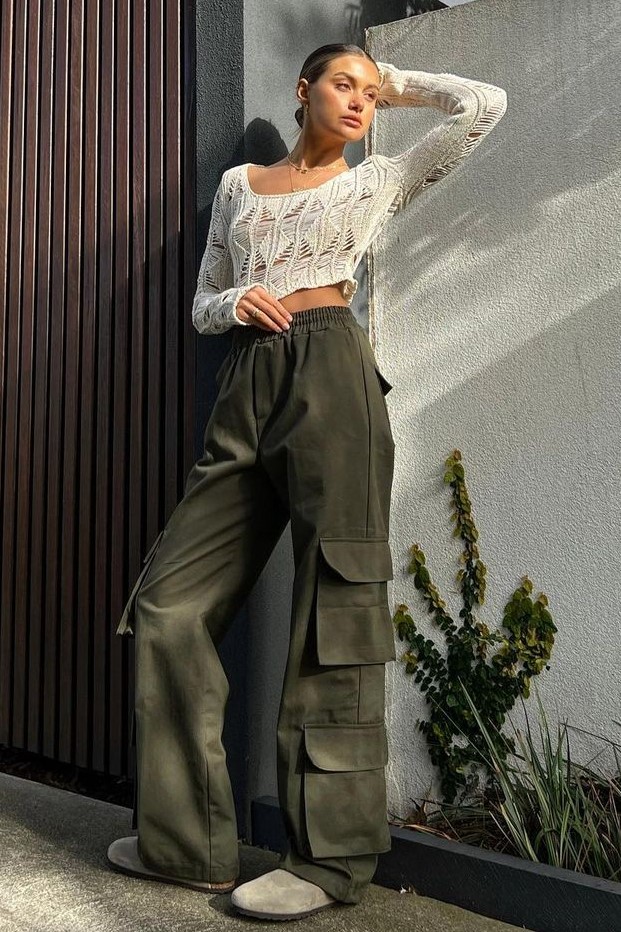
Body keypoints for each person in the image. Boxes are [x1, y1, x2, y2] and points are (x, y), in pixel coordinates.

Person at [106, 42, 507, 921]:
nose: (358, 100)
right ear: (302, 90)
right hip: (245, 380)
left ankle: (328, 862)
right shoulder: (238, 186)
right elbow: (203, 299)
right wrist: (234, 304)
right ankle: (187, 844)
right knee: (169, 608)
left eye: (368, 92)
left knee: (335, 606)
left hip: (331, 374)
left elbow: (482, 105)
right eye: (342, 83)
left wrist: (397, 83)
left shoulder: (377, 181)